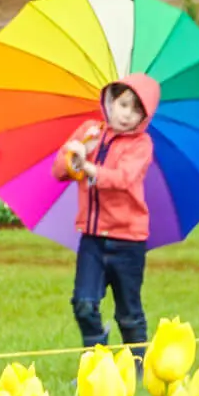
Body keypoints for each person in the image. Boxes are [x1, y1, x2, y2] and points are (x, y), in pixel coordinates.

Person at [53, 73, 159, 358]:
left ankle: (137, 367)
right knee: (84, 304)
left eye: (137, 110)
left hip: (128, 241)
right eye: (123, 105)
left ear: (144, 117)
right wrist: (74, 157)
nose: (127, 115)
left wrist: (88, 168)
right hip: (92, 239)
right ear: (110, 101)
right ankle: (97, 362)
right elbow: (59, 171)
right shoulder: (89, 131)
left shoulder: (142, 145)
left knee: (129, 312)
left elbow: (123, 178)